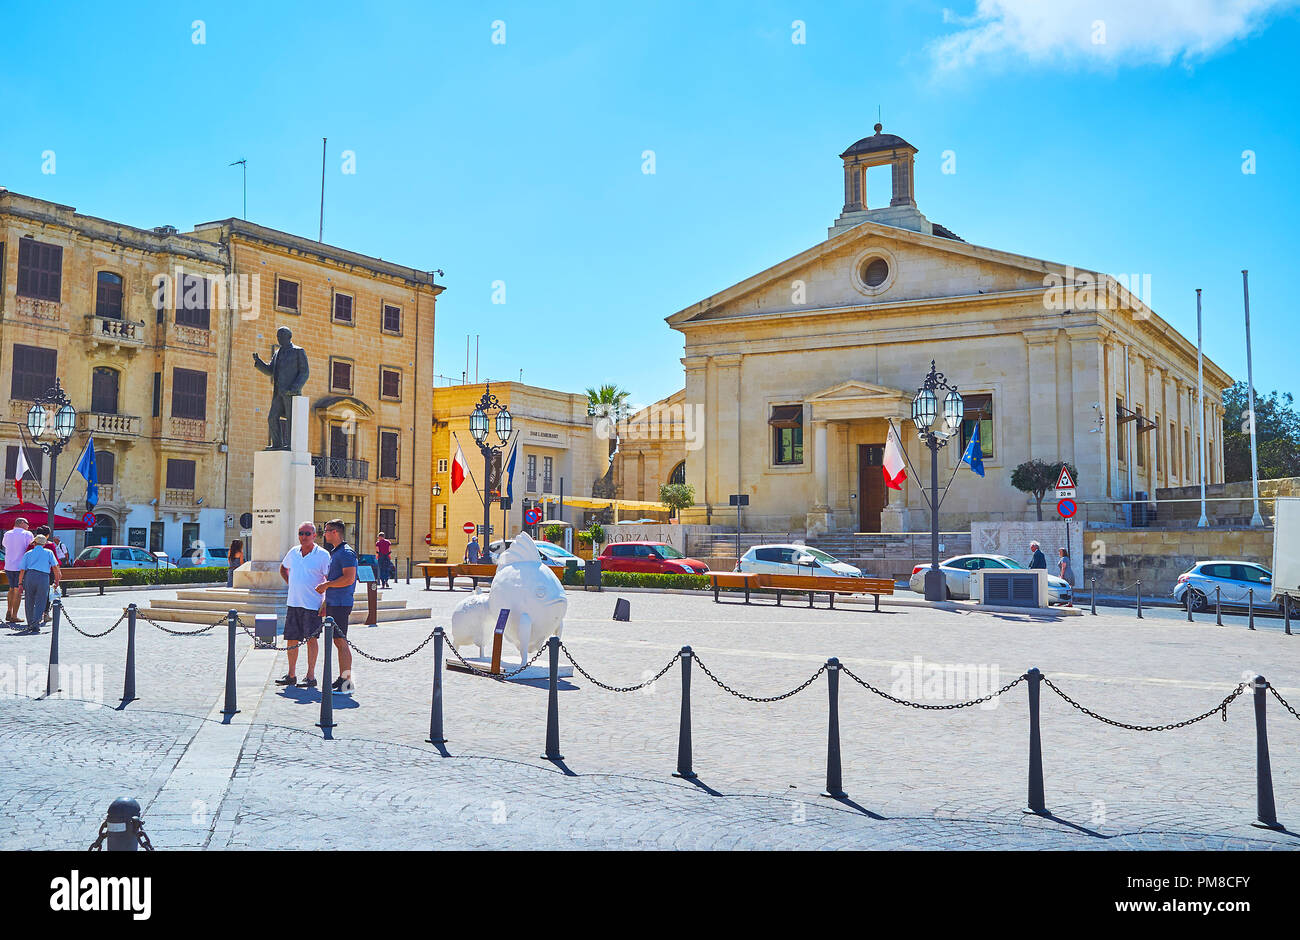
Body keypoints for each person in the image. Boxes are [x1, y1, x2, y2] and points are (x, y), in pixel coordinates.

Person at [277, 522, 332, 689]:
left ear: (315, 536)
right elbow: (283, 568)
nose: (303, 536)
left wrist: (325, 602)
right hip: (294, 603)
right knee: (291, 639)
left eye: (307, 533)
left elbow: (330, 580)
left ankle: (310, 676)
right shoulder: (293, 552)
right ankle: (291, 674)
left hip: (312, 605)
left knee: (311, 640)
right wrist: (292, 584)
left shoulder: (323, 555)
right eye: (301, 533)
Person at [318, 519, 358, 692]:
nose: (324, 533)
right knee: (337, 641)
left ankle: (347, 682)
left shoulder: (346, 553)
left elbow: (349, 578)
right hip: (335, 603)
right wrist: (326, 601)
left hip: (342, 603)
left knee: (341, 642)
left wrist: (327, 585)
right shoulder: (337, 552)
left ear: (335, 532)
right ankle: (343, 677)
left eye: (326, 531)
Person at [16, 534, 60, 636]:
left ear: (34, 543)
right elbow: (55, 567)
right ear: (44, 544)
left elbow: (22, 570)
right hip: (43, 577)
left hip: (30, 576)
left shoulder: (28, 553)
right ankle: (36, 623)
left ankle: (30, 623)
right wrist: (57, 580)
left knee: (29, 600)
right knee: (41, 600)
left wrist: (20, 583)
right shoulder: (49, 552)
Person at [3, 517, 34, 626]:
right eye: (27, 523)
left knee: (11, 589)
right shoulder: (27, 534)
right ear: (21, 523)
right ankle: (14, 615)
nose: (28, 525)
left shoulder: (7, 534)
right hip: (20, 566)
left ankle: (9, 610)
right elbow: (31, 547)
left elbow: (5, 545)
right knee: (18, 590)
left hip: (8, 565)